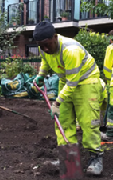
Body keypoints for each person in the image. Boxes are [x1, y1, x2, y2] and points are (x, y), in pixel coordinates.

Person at [33, 21, 103, 175]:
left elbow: (73, 81)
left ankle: (96, 157)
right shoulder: (44, 48)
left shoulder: (70, 50)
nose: (44, 49)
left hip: (86, 81)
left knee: (88, 121)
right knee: (63, 121)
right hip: (67, 81)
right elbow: (46, 60)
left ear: (55, 37)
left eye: (47, 44)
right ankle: (67, 156)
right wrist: (41, 75)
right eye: (40, 46)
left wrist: (57, 102)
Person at [102, 30, 113, 141]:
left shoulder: (111, 48)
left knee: (111, 107)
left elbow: (107, 67)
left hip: (112, 83)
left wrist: (108, 80)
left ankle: (109, 133)